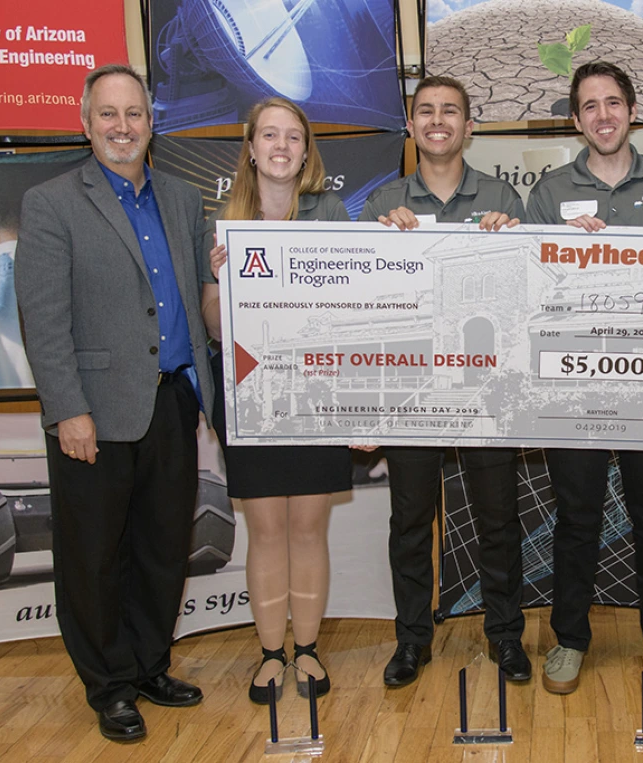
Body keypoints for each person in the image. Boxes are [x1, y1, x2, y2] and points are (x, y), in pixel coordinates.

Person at [15, 64, 214, 743]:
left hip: (171, 400)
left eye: (134, 114)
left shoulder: (184, 201)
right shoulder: (51, 203)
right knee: (95, 554)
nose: (122, 126)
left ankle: (150, 662)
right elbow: (42, 319)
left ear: (151, 123)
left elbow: (195, 297)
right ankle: (109, 684)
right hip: (92, 410)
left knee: (164, 547)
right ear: (86, 121)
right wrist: (66, 406)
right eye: (109, 114)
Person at [526, 61, 643, 695]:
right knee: (577, 515)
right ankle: (570, 638)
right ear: (576, 120)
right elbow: (532, 286)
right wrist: (565, 254)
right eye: (589, 106)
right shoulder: (549, 192)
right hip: (575, 383)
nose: (602, 115)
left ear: (632, 111)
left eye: (613, 103)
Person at [358, 75, 530, 687]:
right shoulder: (383, 205)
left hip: (485, 388)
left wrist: (518, 243)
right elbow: (362, 306)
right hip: (411, 393)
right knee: (409, 522)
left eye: (450, 111)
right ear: (410, 126)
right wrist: (381, 243)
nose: (438, 120)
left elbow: (534, 290)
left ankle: (505, 636)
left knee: (498, 519)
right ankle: (411, 641)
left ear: (469, 125)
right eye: (425, 111)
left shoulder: (504, 196)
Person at [201, 97, 352, 704]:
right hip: (251, 393)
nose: (282, 146)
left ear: (306, 148)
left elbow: (354, 305)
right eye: (270, 135)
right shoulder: (221, 221)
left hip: (317, 391)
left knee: (308, 528)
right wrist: (225, 283)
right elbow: (213, 325)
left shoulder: (333, 211)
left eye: (293, 136)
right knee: (265, 530)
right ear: (251, 146)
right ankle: (269, 655)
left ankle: (308, 651)